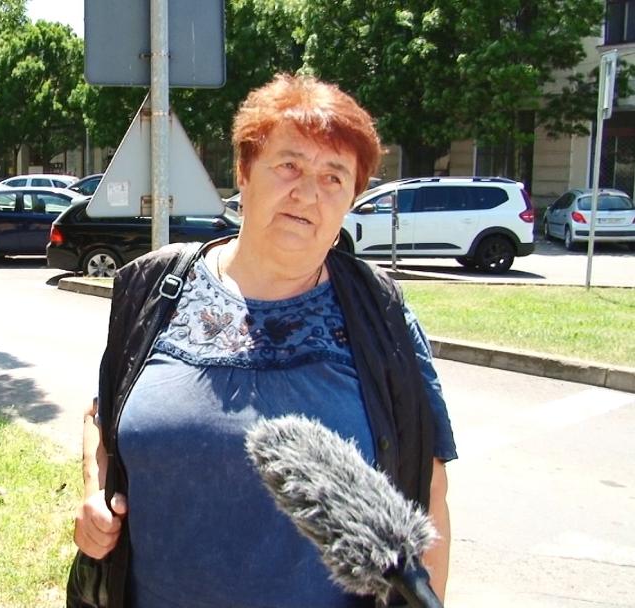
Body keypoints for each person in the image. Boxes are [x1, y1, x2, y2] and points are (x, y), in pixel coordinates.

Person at [73, 74, 457, 607]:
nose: (307, 193)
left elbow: (428, 496)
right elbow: (101, 418)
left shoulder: (381, 315)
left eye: (333, 176)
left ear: (351, 198)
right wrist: (94, 496)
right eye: (289, 166)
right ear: (245, 171)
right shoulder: (152, 290)